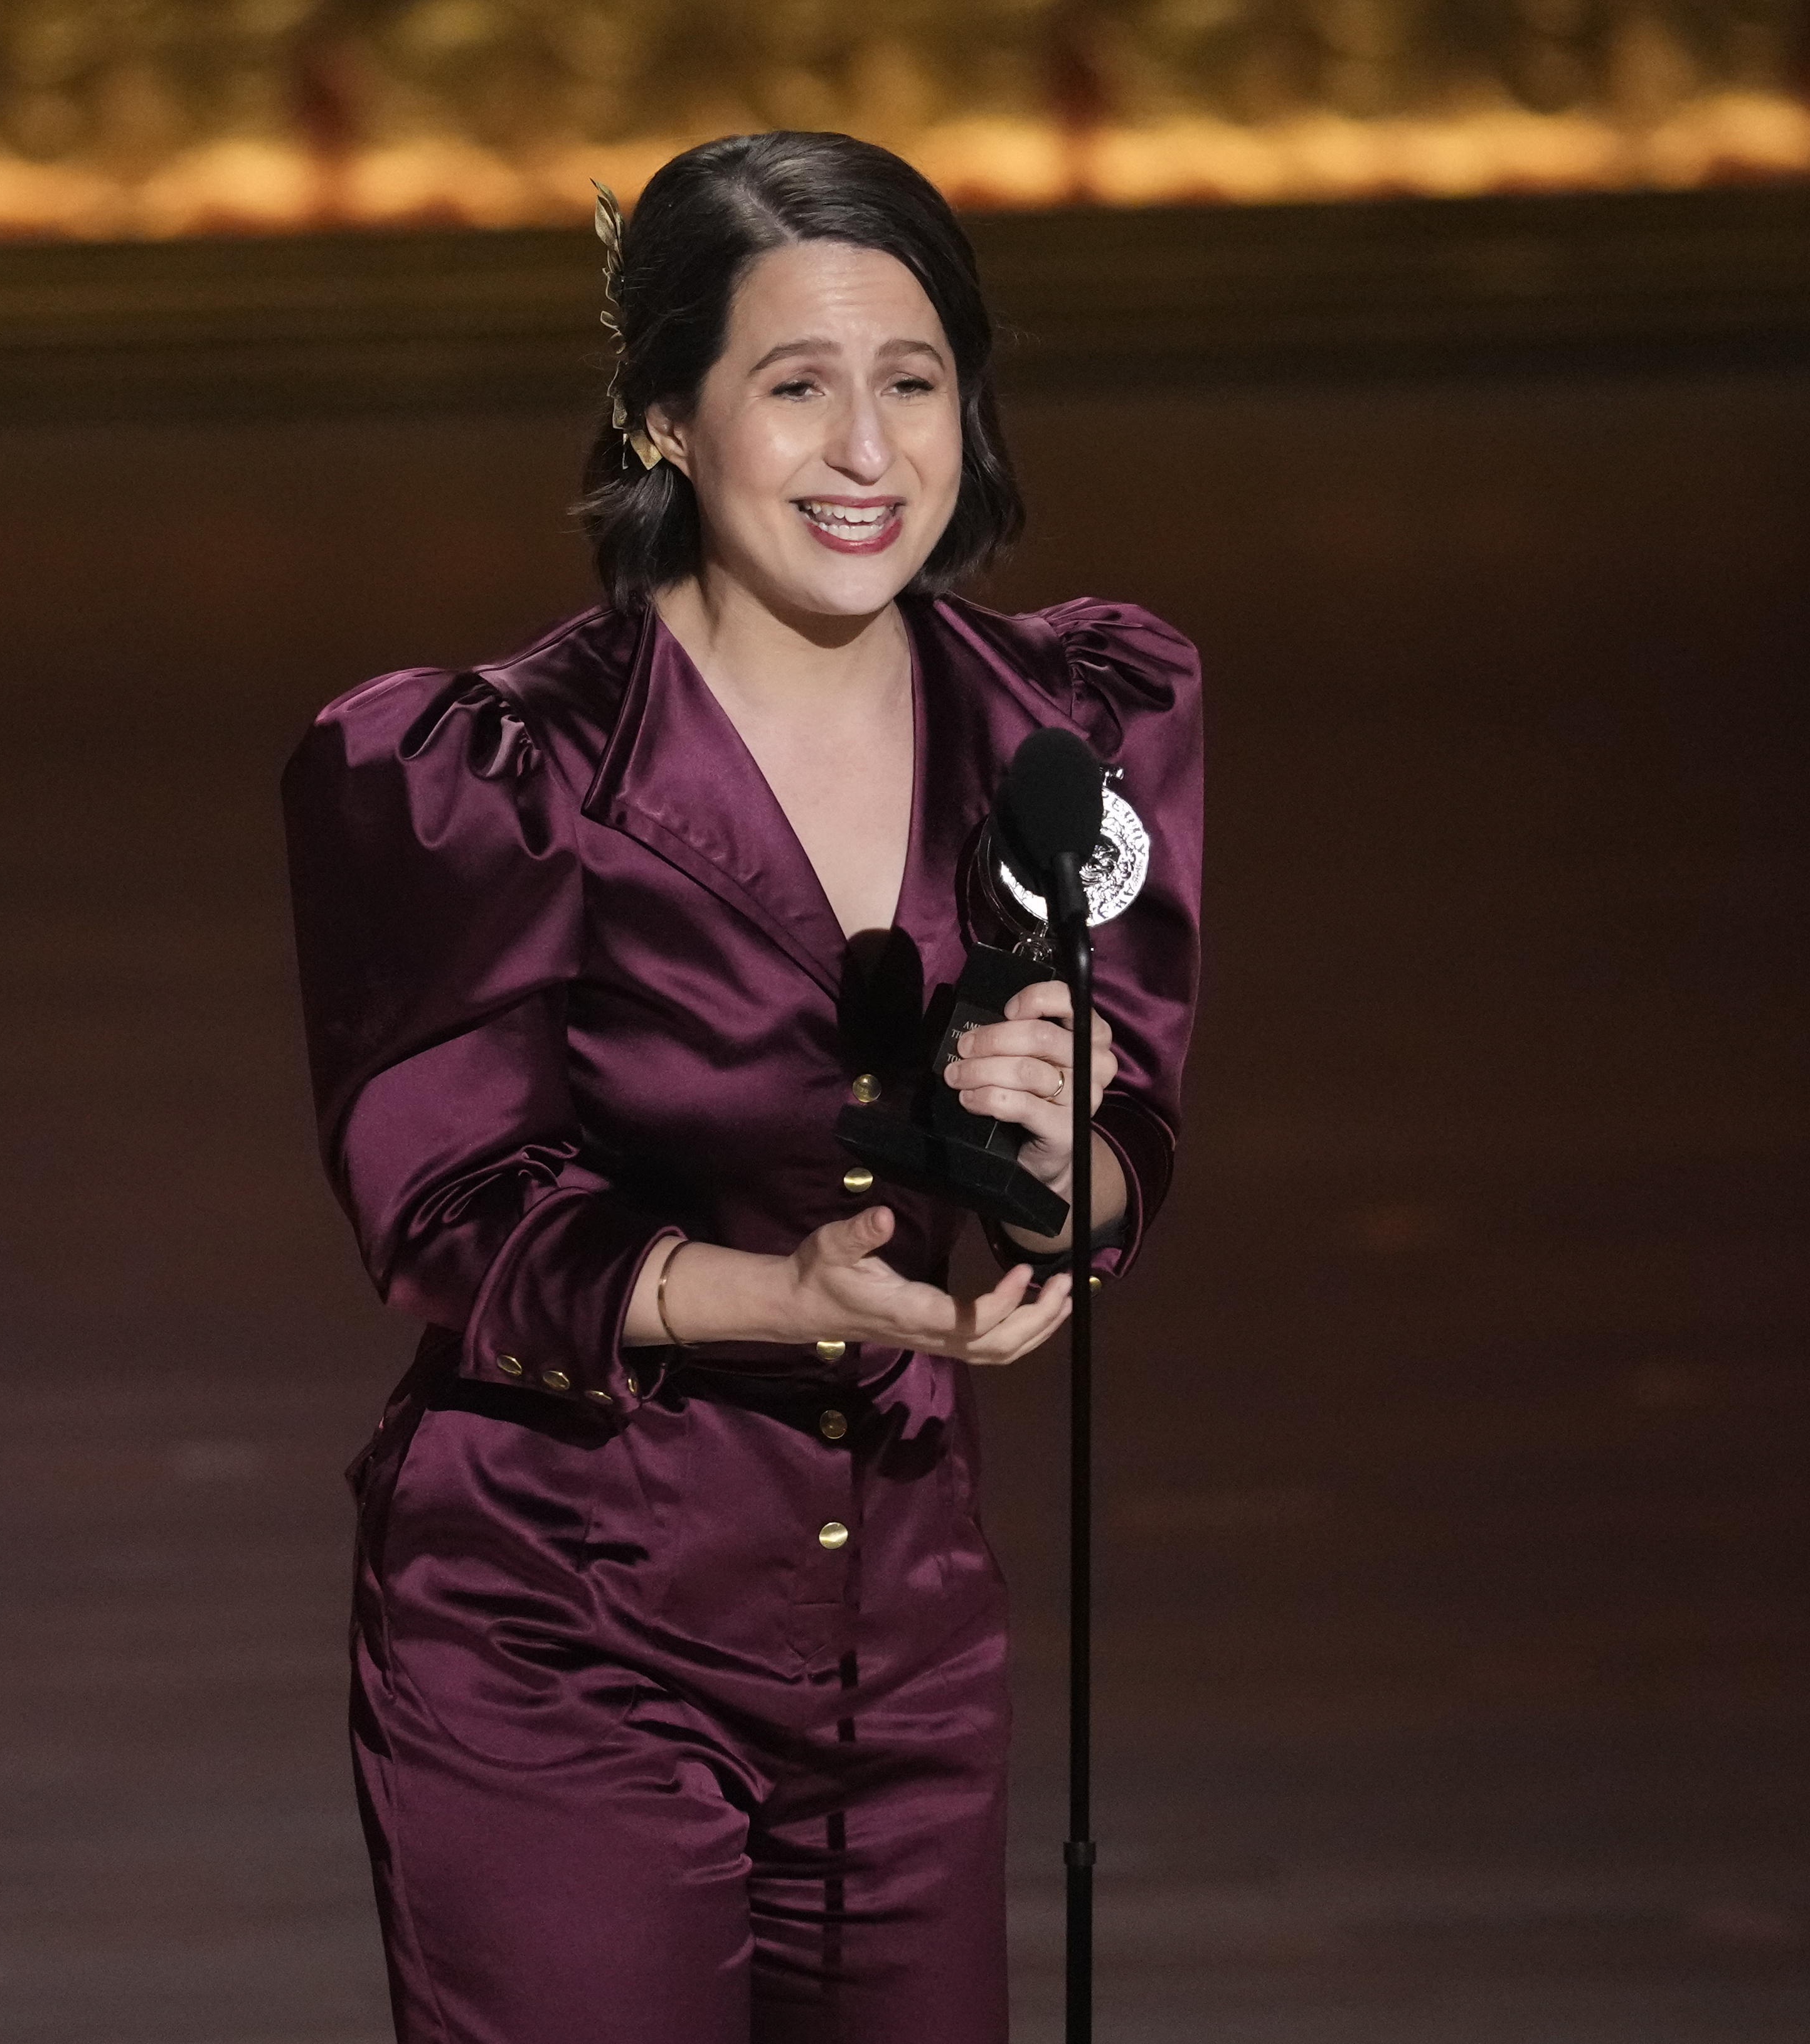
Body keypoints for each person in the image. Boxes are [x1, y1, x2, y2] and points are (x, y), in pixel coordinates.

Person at [281, 129, 1202, 2044]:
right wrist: (771, 1295)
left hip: (907, 1645)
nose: (870, 453)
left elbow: (1126, 1147)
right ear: (663, 423)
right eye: (798, 388)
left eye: (916, 382)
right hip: (563, 1615)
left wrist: (1071, 1160)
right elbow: (450, 1208)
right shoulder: (499, 776)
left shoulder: (1072, 737)